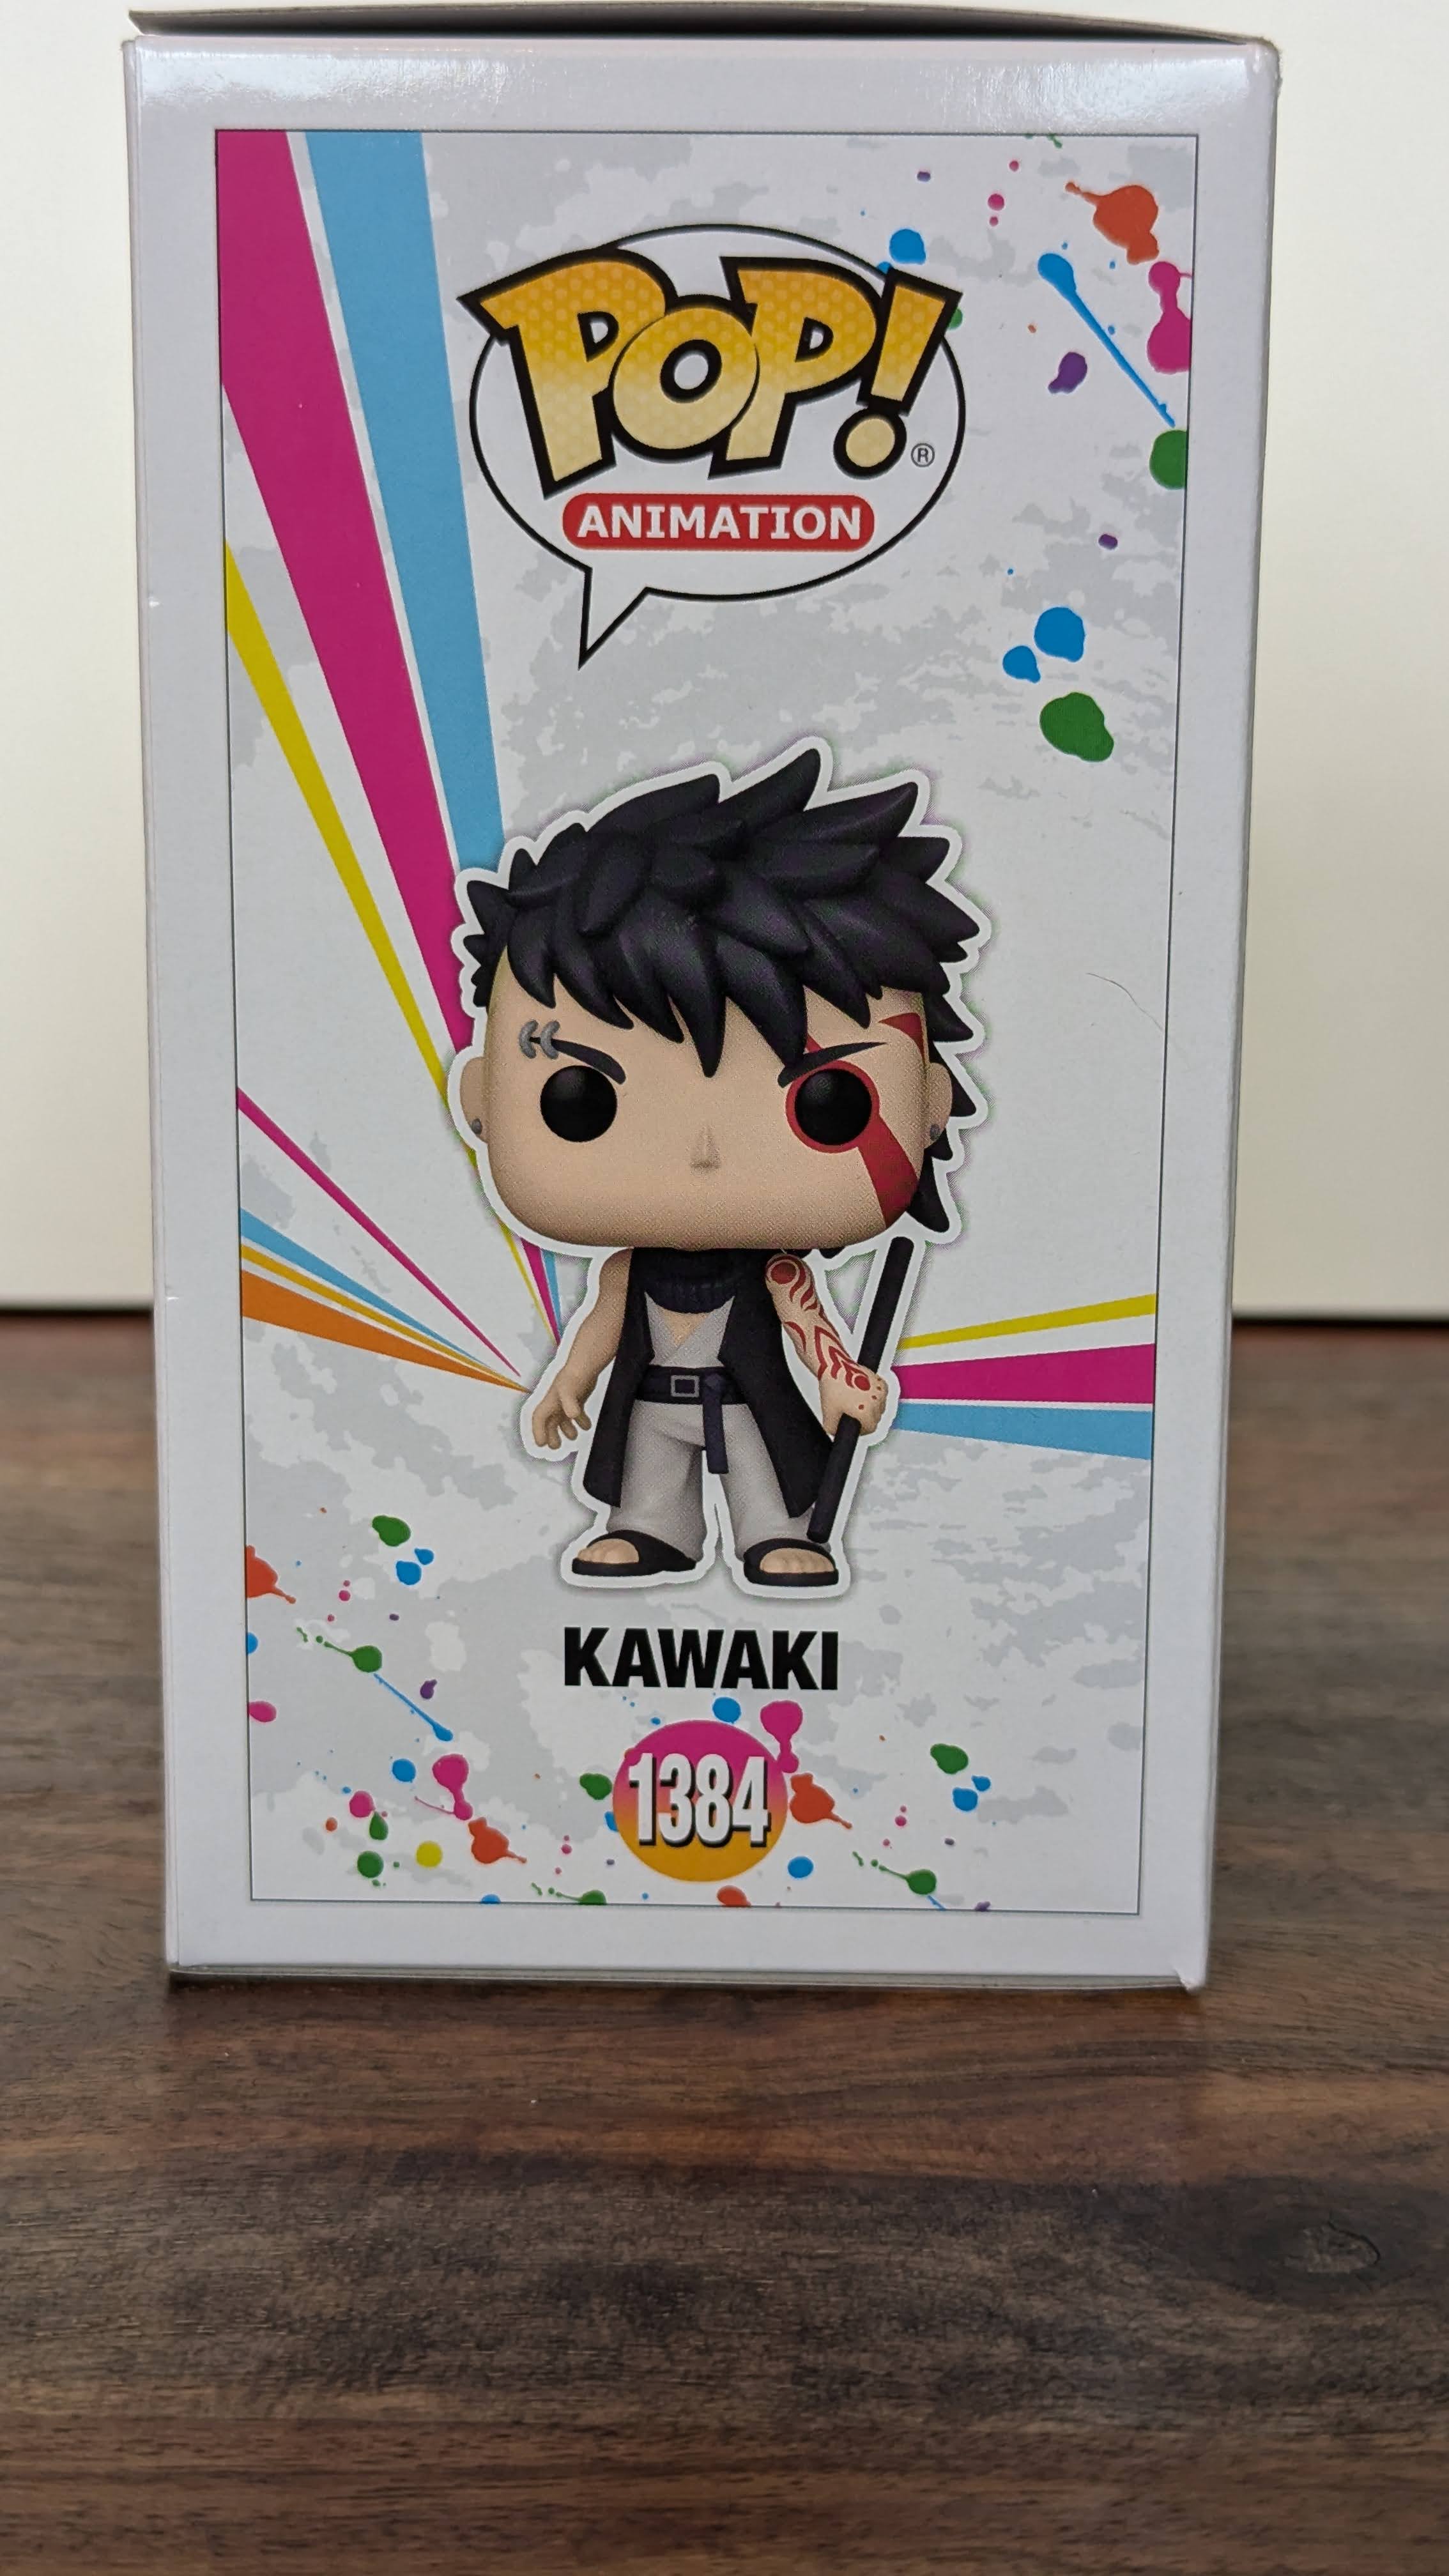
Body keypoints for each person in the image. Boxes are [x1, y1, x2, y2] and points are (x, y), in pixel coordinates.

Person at [452, 742, 985, 1590]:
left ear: (929, 1103)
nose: (703, 1152)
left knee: (765, 1481)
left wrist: (843, 1387)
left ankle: (773, 1534)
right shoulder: (628, 1271)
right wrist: (567, 1383)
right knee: (646, 1486)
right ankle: (651, 1528)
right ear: (482, 1099)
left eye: (829, 1103)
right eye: (579, 1101)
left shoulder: (778, 1269)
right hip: (650, 1404)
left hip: (746, 1404)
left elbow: (813, 1332)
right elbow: (599, 1330)